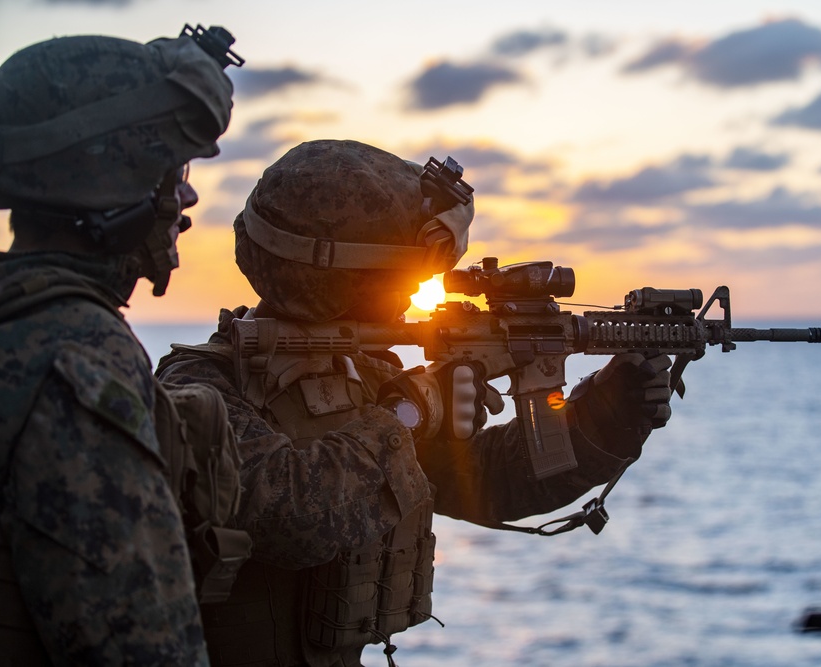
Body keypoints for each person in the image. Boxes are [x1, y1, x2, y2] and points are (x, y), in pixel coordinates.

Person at [155, 139, 673, 667]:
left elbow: (486, 483)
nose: (411, 290)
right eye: (399, 274)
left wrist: (605, 415)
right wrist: (413, 410)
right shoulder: (199, 387)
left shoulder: (367, 374)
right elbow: (288, 517)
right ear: (339, 278)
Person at [0, 25, 240, 664]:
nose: (185, 195)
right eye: (169, 171)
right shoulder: (79, 361)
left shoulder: (19, 325)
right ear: (111, 188)